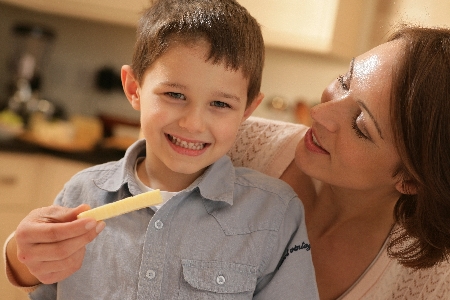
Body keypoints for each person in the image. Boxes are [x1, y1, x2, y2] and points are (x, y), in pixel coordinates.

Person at [3, 0, 319, 299]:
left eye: (220, 103)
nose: (194, 123)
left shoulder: (274, 213)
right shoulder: (81, 194)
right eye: (174, 95)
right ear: (133, 89)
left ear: (248, 108)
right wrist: (20, 254)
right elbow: (41, 283)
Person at [228, 24, 450, 299]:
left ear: (409, 180)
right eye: (345, 81)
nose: (319, 113)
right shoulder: (231, 148)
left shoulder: (434, 285)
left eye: (360, 126)